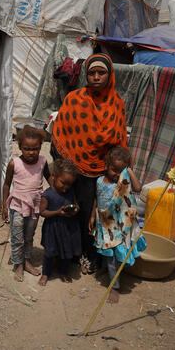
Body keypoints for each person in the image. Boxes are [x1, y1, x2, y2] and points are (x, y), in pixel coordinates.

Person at [50, 53, 128, 275]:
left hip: (105, 172)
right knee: (77, 212)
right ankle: (74, 254)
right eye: (92, 73)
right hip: (77, 169)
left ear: (109, 75)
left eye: (101, 73)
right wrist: (62, 167)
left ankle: (96, 256)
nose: (95, 77)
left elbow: (121, 142)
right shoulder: (74, 99)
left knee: (101, 215)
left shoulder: (117, 103)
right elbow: (60, 133)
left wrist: (119, 174)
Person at [91, 146, 146, 304]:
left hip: (119, 225)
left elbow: (138, 188)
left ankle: (115, 286)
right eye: (114, 170)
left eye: (120, 171)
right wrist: (92, 216)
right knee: (106, 252)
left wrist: (128, 172)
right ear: (107, 165)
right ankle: (107, 271)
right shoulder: (99, 181)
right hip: (104, 221)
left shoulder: (124, 183)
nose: (116, 175)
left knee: (114, 258)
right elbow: (96, 197)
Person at [2, 125, 51, 282]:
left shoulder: (43, 162)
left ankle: (27, 260)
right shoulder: (14, 163)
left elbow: (50, 179)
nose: (31, 152)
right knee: (17, 237)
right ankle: (18, 264)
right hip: (17, 206)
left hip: (34, 206)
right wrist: (4, 205)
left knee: (29, 235)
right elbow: (6, 185)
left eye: (35, 149)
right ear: (20, 146)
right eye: (27, 148)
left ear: (40, 147)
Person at [38, 159, 82, 286]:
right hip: (53, 228)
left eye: (69, 185)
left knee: (66, 251)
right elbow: (42, 212)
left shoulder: (71, 191)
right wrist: (57, 212)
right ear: (53, 176)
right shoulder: (48, 195)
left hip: (68, 228)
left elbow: (76, 204)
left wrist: (75, 209)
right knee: (49, 252)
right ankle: (46, 273)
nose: (65, 188)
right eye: (63, 183)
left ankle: (63, 271)